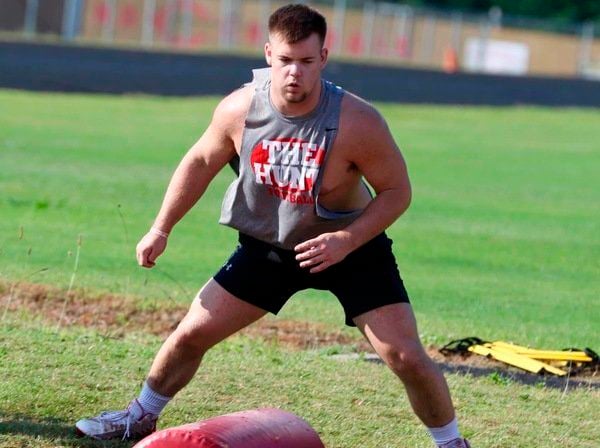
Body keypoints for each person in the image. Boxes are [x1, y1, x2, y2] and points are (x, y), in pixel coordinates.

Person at [75, 4, 470, 447]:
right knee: (191, 333)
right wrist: (160, 228)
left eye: (306, 61)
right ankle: (140, 415)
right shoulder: (240, 108)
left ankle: (451, 443)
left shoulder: (358, 121)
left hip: (351, 250)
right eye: (285, 60)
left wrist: (346, 239)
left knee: (405, 357)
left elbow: (398, 191)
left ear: (323, 57)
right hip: (269, 247)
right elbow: (200, 162)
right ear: (268, 55)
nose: (294, 73)